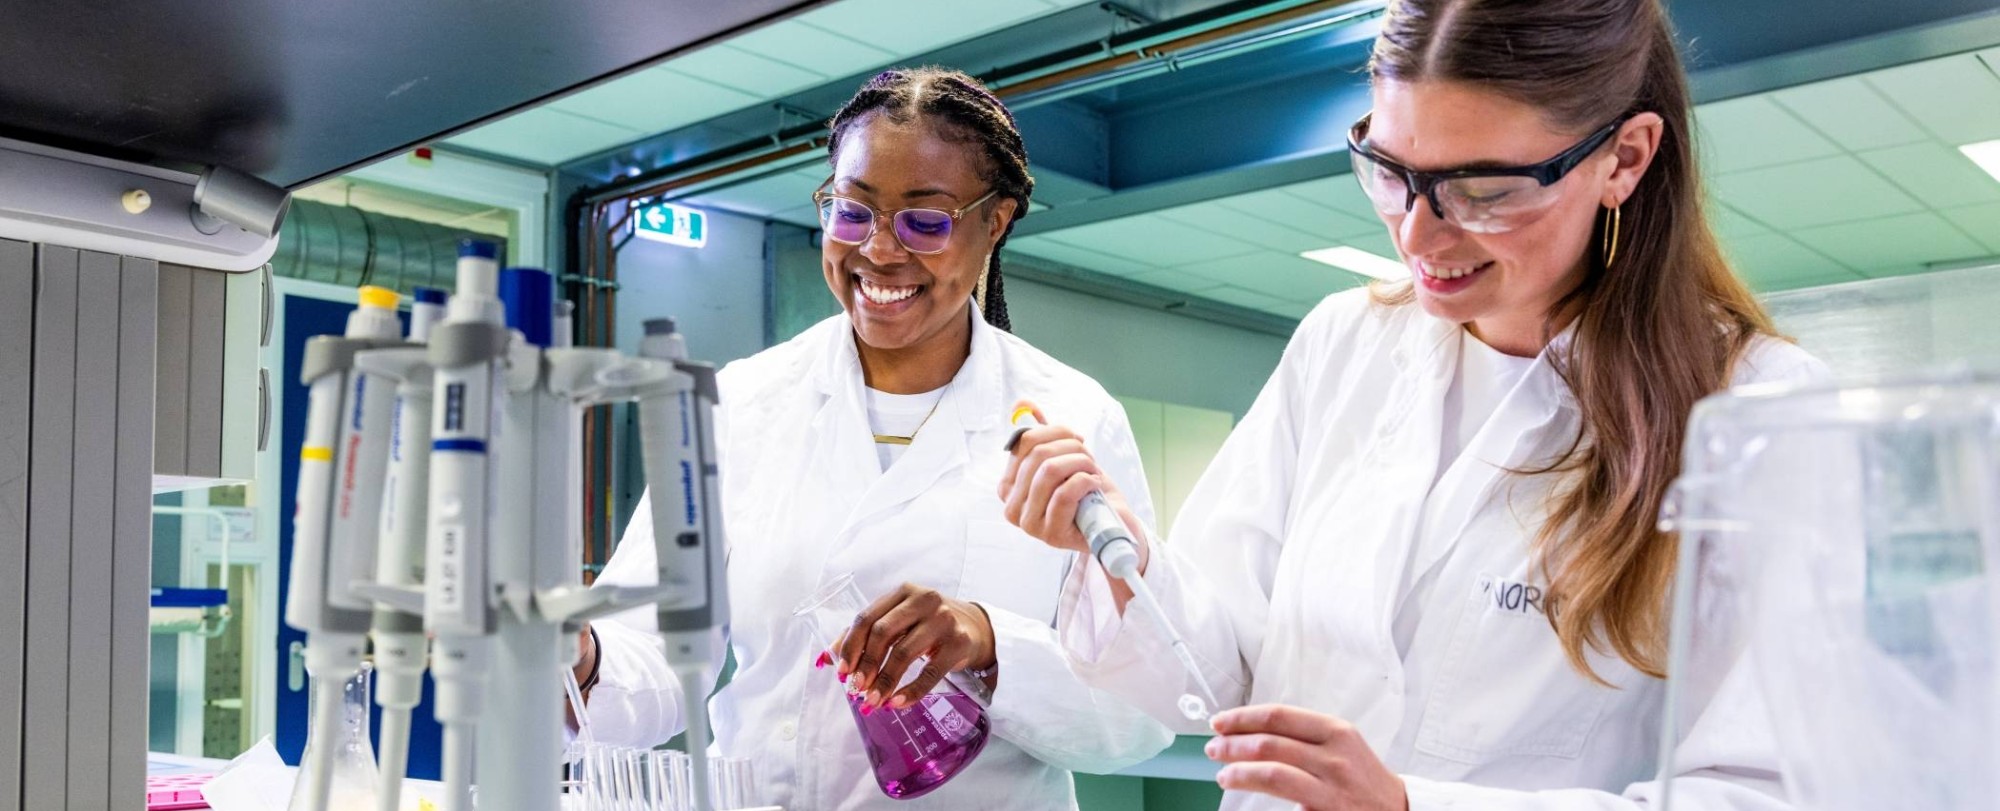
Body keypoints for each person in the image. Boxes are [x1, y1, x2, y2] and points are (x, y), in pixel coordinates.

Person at [1001, 0, 1829, 808]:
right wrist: (1125, 560)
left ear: (1626, 158)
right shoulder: (1343, 343)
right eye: (1392, 174)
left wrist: (1406, 804)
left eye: (1485, 190)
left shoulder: (1757, 412)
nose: (1417, 236)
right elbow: (1218, 663)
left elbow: (1766, 788)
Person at [574, 67, 1172, 810]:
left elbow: (1136, 710)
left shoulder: (1068, 418)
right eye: (853, 213)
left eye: (926, 222)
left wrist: (988, 643)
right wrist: (580, 654)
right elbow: (654, 649)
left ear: (998, 221)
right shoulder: (740, 404)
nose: (881, 252)